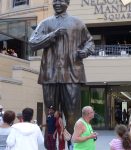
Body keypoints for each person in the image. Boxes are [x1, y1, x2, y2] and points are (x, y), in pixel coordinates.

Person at [29, 0, 95, 140]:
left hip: (72, 73)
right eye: (55, 1)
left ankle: (72, 142)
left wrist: (85, 51)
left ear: (67, 3)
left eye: (61, 0)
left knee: (72, 113)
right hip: (50, 74)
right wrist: (52, 35)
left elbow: (90, 42)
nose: (58, 3)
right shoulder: (45, 23)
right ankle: (51, 144)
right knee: (51, 113)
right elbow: (33, 42)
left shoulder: (77, 23)